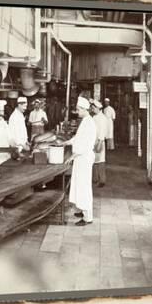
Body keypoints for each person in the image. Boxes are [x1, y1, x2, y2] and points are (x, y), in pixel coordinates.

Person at [61, 96, 97, 226]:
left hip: (84, 158)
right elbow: (78, 138)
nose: (77, 112)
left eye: (78, 109)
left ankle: (88, 218)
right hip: (81, 158)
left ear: (83, 109)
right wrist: (67, 142)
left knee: (84, 187)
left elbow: (85, 145)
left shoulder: (89, 123)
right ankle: (83, 210)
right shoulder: (85, 121)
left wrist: (72, 156)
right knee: (79, 185)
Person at [91, 100, 108, 187]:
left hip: (99, 141)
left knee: (100, 161)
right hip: (93, 140)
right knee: (94, 160)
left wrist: (100, 142)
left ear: (98, 108)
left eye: (93, 108)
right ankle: (95, 178)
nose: (92, 110)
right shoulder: (94, 117)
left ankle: (102, 180)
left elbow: (102, 131)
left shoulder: (103, 118)